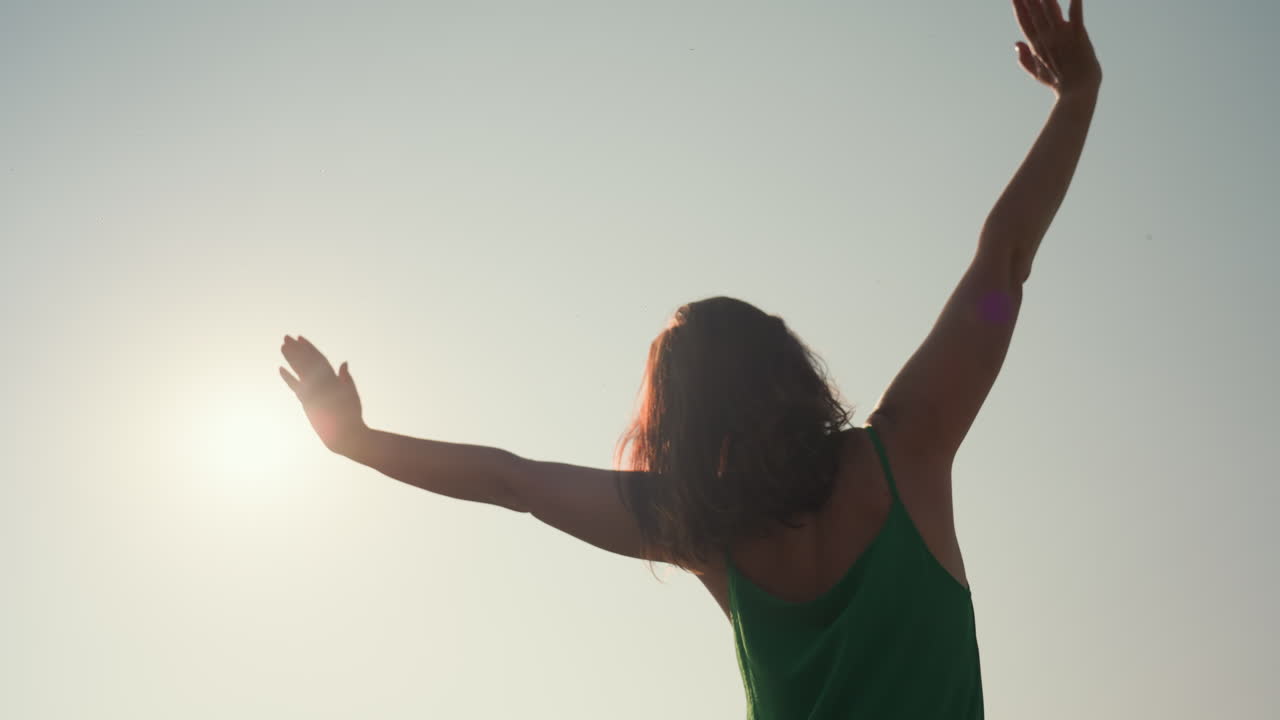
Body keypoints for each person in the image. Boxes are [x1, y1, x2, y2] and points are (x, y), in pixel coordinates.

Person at [278, 1, 1101, 716]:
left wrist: (359, 443)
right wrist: (1076, 99)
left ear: (678, 422)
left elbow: (512, 481)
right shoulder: (907, 446)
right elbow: (1004, 264)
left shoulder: (700, 530)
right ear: (793, 370)